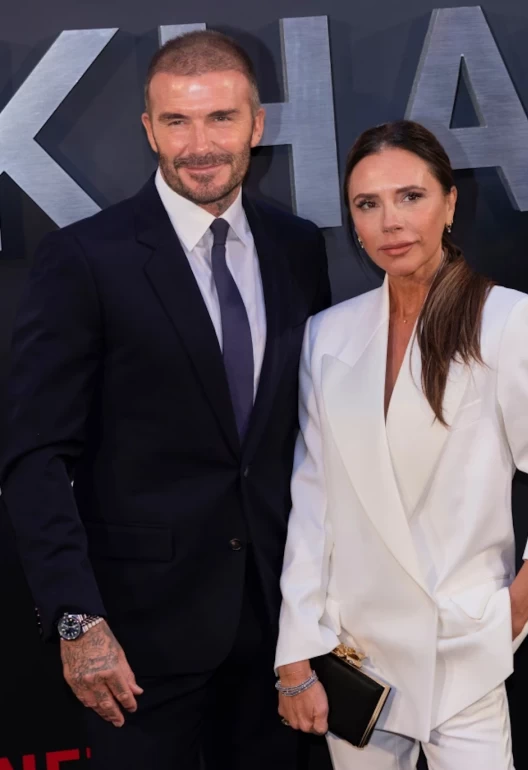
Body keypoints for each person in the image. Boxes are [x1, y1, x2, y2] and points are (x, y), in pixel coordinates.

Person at [0, 31, 331, 770]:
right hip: (137, 640)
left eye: (220, 118)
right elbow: (36, 458)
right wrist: (77, 620)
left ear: (257, 124)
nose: (199, 145)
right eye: (177, 121)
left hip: (279, 630)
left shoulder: (297, 247)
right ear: (149, 130)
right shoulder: (85, 259)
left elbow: (304, 435)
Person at [273, 120, 528, 770]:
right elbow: (313, 506)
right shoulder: (327, 336)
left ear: (450, 203)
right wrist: (296, 651)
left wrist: (511, 612)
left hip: (460, 649)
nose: (390, 221)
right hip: (355, 657)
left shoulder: (506, 320)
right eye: (368, 204)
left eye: (410, 196)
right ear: (352, 222)